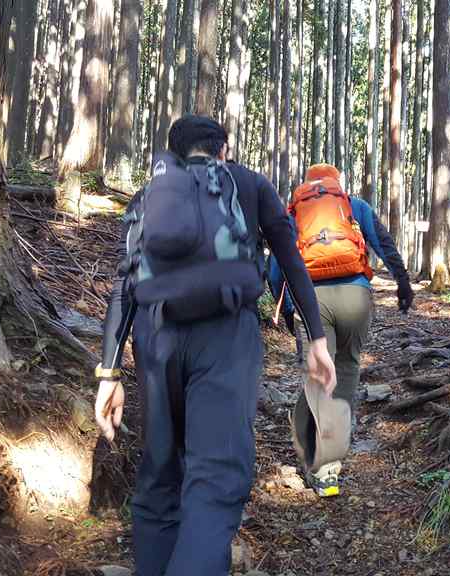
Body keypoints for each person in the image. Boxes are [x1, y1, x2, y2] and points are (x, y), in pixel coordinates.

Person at [93, 115, 336, 576]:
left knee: (160, 478)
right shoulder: (249, 184)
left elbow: (125, 284)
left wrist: (109, 372)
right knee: (215, 480)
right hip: (227, 338)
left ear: (174, 153)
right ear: (223, 150)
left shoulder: (152, 194)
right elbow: (291, 259)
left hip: (155, 337)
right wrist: (317, 341)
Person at [268, 163, 413, 497]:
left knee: (319, 375)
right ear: (336, 183)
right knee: (346, 369)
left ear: (308, 186)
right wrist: (403, 281)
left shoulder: (295, 213)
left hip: (312, 299)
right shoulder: (353, 205)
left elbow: (278, 265)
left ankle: (316, 462)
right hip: (356, 298)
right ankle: (328, 468)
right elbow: (383, 242)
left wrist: (288, 308)